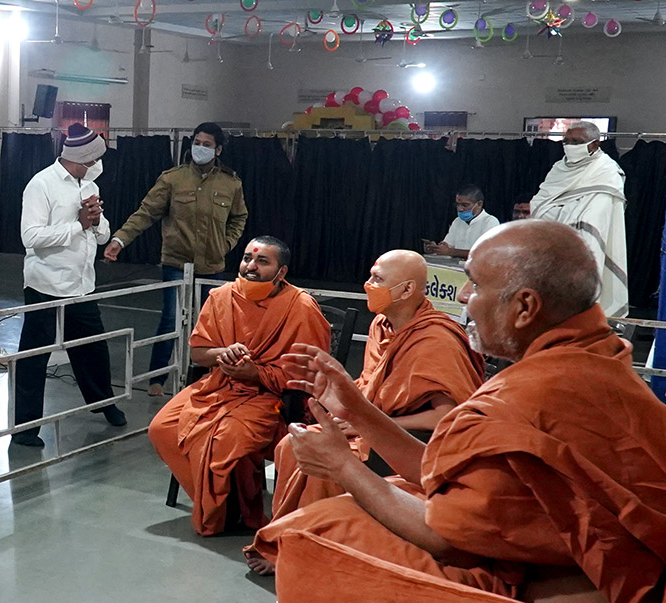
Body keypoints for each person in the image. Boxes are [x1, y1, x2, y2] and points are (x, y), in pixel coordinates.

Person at [243, 220, 666, 603]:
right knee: (325, 514)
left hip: (556, 596)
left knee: (319, 534)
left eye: (475, 285)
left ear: (525, 308)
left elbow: (446, 535)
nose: (463, 296)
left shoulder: (523, 400)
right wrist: (356, 410)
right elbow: (440, 472)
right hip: (545, 559)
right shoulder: (599, 354)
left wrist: (343, 466)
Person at [271, 250, 485, 518]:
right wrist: (343, 397)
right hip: (366, 425)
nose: (368, 285)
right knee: (290, 444)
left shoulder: (436, 339)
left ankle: (318, 534)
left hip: (408, 442)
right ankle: (287, 531)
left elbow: (447, 416)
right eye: (370, 277)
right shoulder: (381, 325)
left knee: (320, 460)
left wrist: (368, 423)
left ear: (407, 289)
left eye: (377, 279)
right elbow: (372, 385)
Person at [148, 236, 330, 536]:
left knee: (229, 438)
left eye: (262, 261)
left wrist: (255, 373)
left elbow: (309, 372)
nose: (251, 266)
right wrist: (223, 354)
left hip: (272, 395)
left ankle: (234, 511)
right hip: (219, 385)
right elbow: (198, 353)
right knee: (161, 428)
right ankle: (221, 504)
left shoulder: (301, 307)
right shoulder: (221, 296)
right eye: (247, 258)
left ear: (281, 272)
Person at [103, 122, 249, 397]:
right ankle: (157, 377)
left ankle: (206, 377)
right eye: (197, 143)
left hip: (211, 265)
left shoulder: (230, 183)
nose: (200, 148)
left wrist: (226, 244)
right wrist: (120, 240)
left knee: (211, 325)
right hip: (177, 263)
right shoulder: (173, 179)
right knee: (171, 319)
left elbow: (239, 217)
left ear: (218, 150)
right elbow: (146, 212)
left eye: (207, 145)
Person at [11, 123, 126, 449]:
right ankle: (25, 427)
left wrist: (96, 220)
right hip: (45, 284)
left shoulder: (89, 183)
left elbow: (101, 235)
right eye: (94, 159)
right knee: (34, 357)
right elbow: (30, 237)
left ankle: (104, 402)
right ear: (81, 158)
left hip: (81, 285)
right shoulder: (41, 184)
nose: (98, 165)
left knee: (93, 350)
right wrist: (78, 225)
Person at [530, 121, 628, 317]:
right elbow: (539, 207)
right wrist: (569, 213)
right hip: (553, 245)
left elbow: (592, 219)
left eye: (576, 142)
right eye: (566, 141)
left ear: (595, 144)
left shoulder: (606, 171)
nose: (569, 146)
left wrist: (561, 214)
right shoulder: (558, 168)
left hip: (587, 247)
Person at [423, 185, 499, 259]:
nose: (460, 209)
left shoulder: (490, 222)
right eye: (457, 205)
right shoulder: (457, 221)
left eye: (465, 205)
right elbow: (448, 245)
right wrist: (436, 248)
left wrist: (451, 252)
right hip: (455, 266)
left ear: (479, 204)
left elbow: (487, 252)